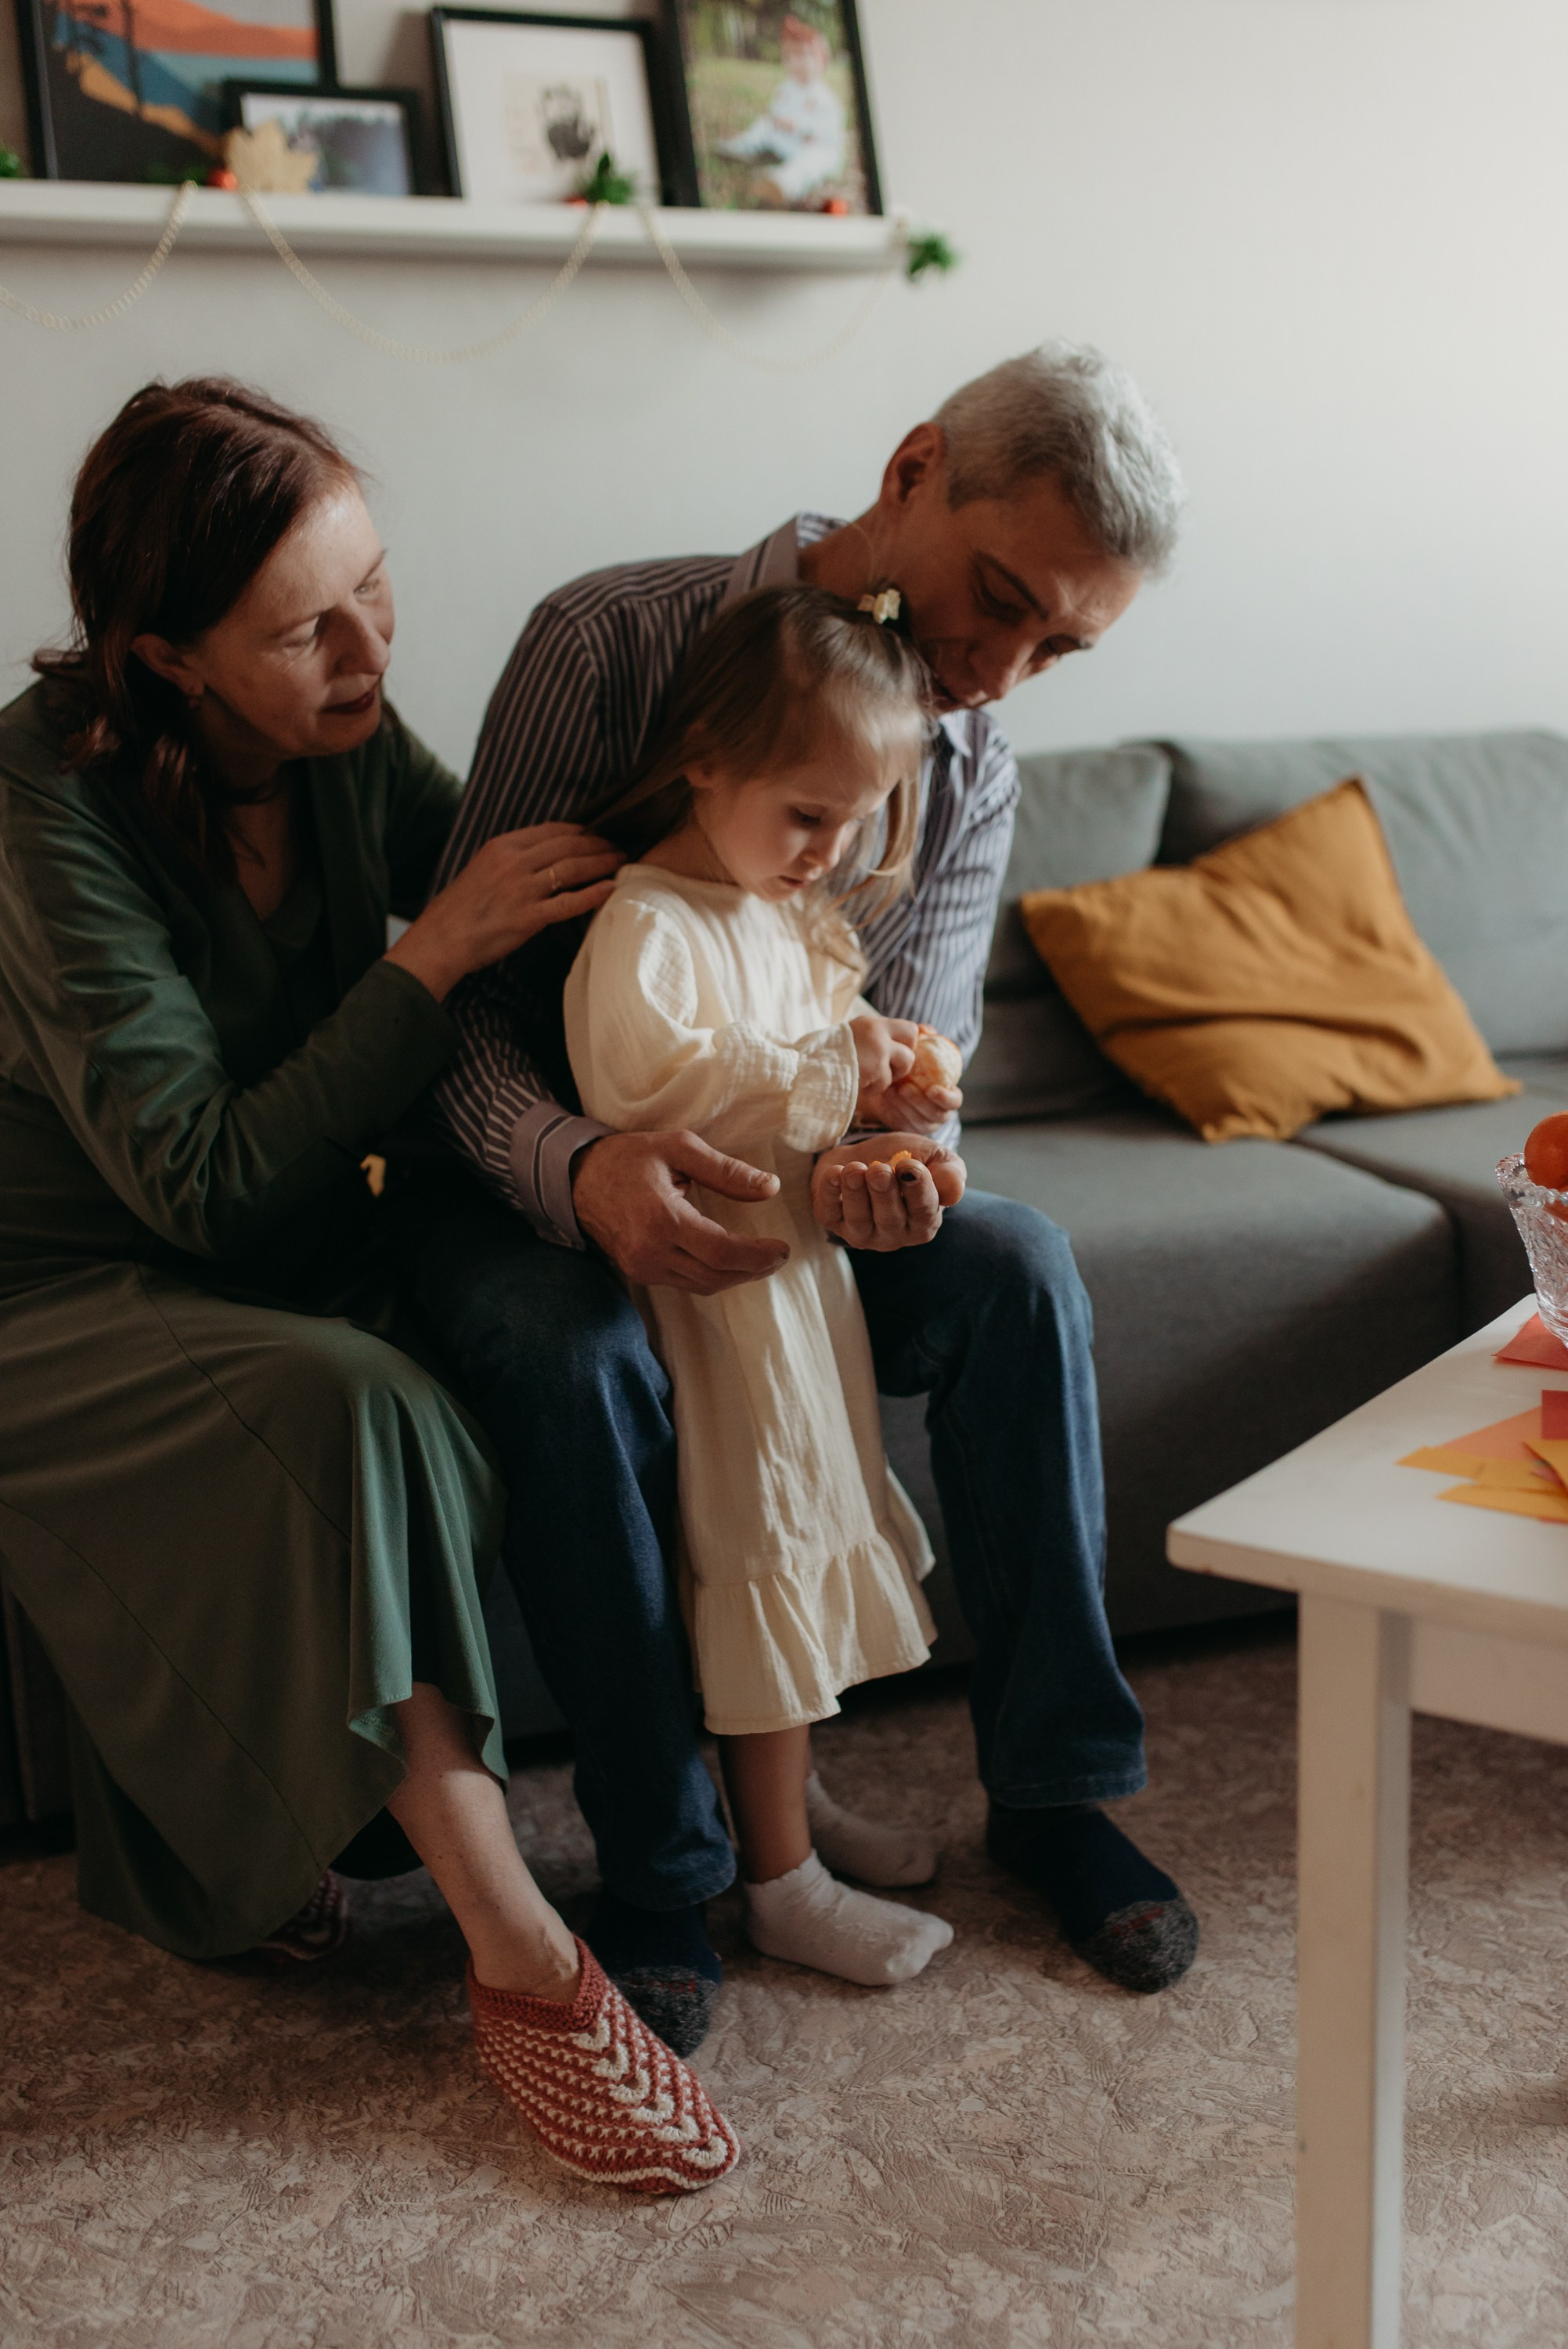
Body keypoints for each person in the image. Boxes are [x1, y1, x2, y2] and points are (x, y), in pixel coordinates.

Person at [410, 343, 1197, 2059]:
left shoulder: (968, 755)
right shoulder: (611, 639)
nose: (996, 672)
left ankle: (1053, 1791)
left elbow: (890, 1042)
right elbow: (456, 1013)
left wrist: (900, 1154)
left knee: (1017, 1270)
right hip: (545, 1181)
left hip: (778, 1188)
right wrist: (582, 1165)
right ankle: (665, 1866)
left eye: (1057, 647)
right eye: (995, 601)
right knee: (571, 1360)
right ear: (914, 468)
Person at [0, 377, 738, 2194]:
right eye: (303, 626)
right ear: (163, 656)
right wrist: (433, 951)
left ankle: (493, 1851)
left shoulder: (346, 748)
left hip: (289, 1249)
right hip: (68, 1293)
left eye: (375, 586)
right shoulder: (41, 802)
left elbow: (544, 898)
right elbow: (208, 1188)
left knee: (477, 1357)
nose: (365, 646)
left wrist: (753, 878)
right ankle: (525, 1960)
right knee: (366, 1400)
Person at [566, 584, 961, 1987]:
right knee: (762, 1547)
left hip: (802, 1299)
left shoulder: (780, 916)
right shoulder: (646, 923)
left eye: (855, 822)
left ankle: (787, 1807)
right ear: (704, 757)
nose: (829, 851)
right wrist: (823, 1072)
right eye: (806, 815)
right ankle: (776, 1880)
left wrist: (886, 1070)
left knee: (815, 1512)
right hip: (720, 1305)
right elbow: (648, 1080)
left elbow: (819, 1045)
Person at [714, 15, 847, 209]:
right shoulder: (786, 89)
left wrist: (801, 127)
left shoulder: (826, 99)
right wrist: (778, 121)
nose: (797, 63)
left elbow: (829, 133)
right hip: (787, 141)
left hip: (815, 146)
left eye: (805, 56)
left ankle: (782, 183)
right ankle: (742, 147)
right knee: (764, 125)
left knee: (810, 161)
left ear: (822, 61)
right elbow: (776, 111)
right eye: (790, 57)